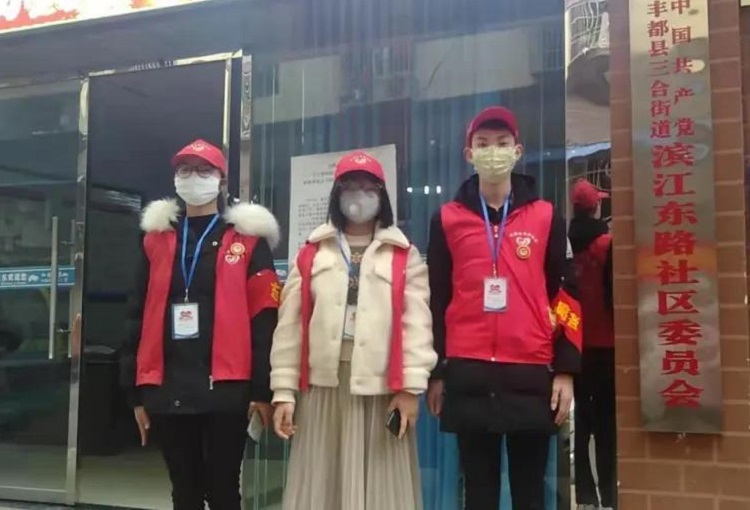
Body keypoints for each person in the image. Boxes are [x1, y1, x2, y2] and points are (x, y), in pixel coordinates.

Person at [426, 106, 582, 510]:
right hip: (469, 372)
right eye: (483, 144)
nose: (492, 151)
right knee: (478, 493)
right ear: (469, 154)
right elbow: (437, 298)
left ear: (517, 150)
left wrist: (566, 370)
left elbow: (567, 294)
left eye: (501, 143)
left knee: (530, 493)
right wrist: (437, 372)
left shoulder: (545, 216)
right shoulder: (447, 220)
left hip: (530, 372)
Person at [270, 150, 437, 510]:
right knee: (320, 484)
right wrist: (283, 391)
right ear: (336, 195)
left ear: (382, 195)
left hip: (382, 390)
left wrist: (410, 389)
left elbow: (417, 325)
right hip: (323, 389)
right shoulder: (311, 253)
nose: (358, 195)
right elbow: (290, 327)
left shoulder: (404, 254)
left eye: (368, 187)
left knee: (382, 490)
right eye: (349, 186)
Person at [120, 139, 281, 510]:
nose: (193, 177)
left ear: (221, 180)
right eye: (185, 170)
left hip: (228, 387)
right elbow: (136, 315)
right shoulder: (155, 241)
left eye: (204, 170)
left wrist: (262, 389)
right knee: (184, 491)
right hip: (167, 385)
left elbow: (264, 319)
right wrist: (135, 392)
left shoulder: (248, 240)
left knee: (224, 491)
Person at [568, 178, 616, 510]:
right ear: (597, 206)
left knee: (583, 424)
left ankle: (585, 496)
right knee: (607, 428)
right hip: (607, 348)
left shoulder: (567, 246)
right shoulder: (608, 245)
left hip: (577, 348)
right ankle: (611, 495)